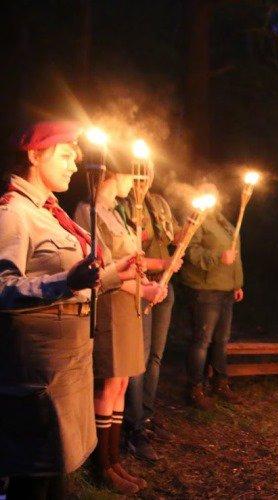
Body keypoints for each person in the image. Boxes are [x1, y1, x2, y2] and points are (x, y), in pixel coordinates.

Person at [0, 121, 133, 498]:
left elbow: (75, 281)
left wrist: (110, 277)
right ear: (34, 154)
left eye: (75, 156)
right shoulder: (14, 213)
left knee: (58, 469)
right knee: (36, 474)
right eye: (65, 155)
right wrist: (65, 283)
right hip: (38, 368)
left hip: (67, 362)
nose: (75, 164)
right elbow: (3, 288)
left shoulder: (50, 213)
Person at [75, 161, 167, 494]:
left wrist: (152, 282)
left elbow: (132, 261)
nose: (134, 182)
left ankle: (114, 460)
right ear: (112, 176)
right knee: (109, 384)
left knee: (122, 385)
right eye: (129, 175)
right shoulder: (89, 212)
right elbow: (104, 269)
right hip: (112, 305)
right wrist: (143, 289)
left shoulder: (116, 213)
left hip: (129, 307)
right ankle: (102, 464)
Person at [122, 164, 183, 460]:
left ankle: (146, 416)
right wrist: (161, 264)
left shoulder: (158, 202)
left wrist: (192, 226)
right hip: (139, 288)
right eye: (141, 172)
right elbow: (127, 255)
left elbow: (171, 237)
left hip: (165, 286)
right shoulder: (123, 204)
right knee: (139, 358)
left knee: (156, 356)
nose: (146, 179)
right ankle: (132, 427)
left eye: (151, 172)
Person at [181, 182, 244, 408]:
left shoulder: (222, 222)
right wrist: (218, 256)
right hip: (205, 290)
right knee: (202, 341)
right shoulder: (195, 219)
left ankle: (220, 382)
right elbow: (190, 251)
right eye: (207, 192)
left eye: (215, 192)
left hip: (225, 289)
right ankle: (195, 388)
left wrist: (237, 283)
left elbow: (234, 254)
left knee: (221, 341)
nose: (212, 196)